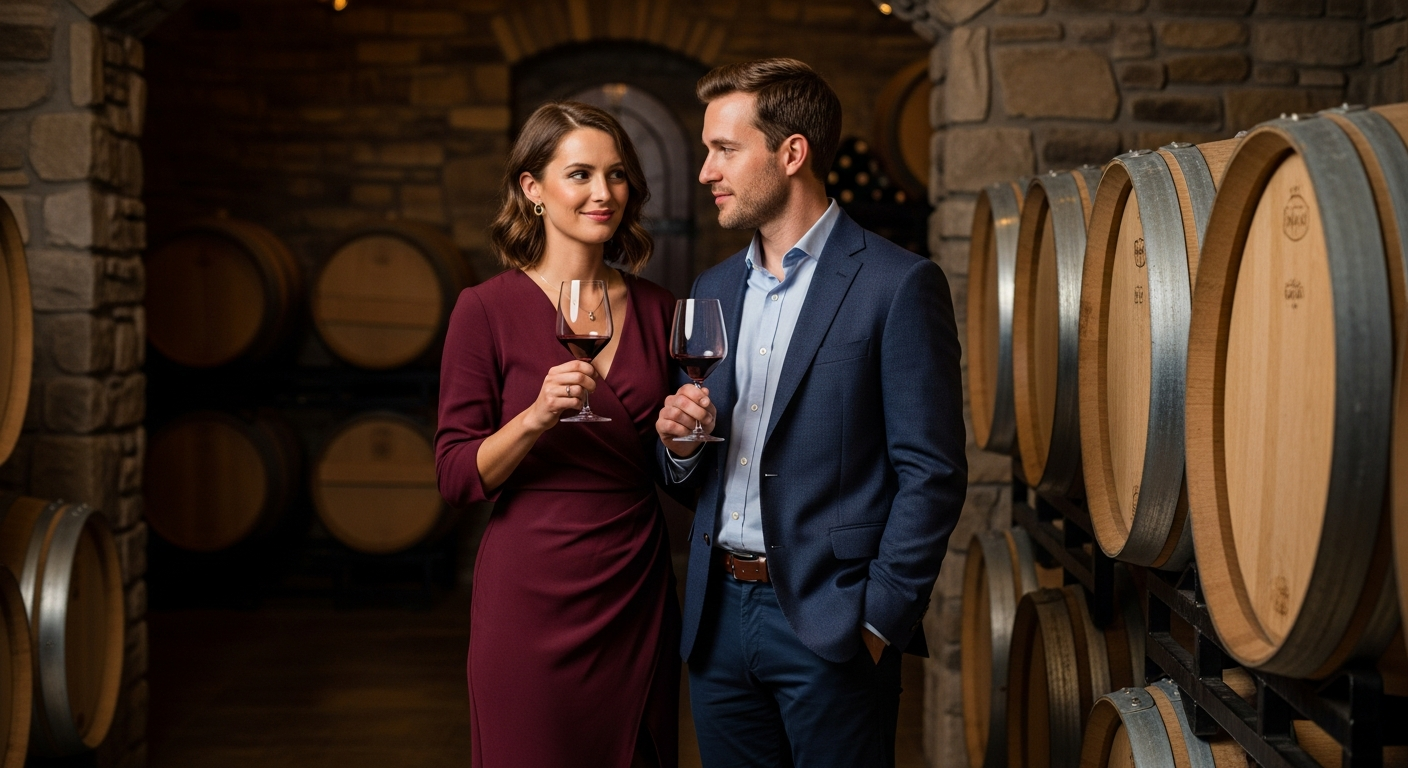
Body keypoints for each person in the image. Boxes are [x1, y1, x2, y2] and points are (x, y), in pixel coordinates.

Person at [654, 58, 967, 767]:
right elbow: (685, 477)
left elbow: (934, 472)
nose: (706, 171)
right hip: (716, 625)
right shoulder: (713, 288)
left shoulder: (899, 284)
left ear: (792, 152)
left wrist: (878, 619)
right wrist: (679, 445)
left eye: (724, 150)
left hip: (830, 623)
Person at [436, 101, 680, 768]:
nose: (603, 194)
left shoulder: (661, 310)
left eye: (618, 175)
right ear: (532, 189)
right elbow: (457, 477)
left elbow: (680, 473)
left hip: (635, 583)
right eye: (580, 174)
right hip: (529, 591)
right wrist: (535, 417)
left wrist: (685, 443)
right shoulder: (483, 310)